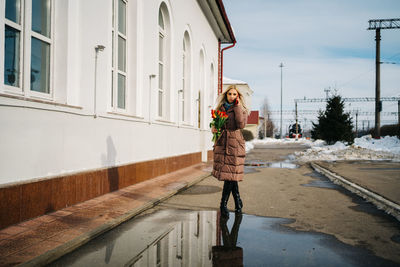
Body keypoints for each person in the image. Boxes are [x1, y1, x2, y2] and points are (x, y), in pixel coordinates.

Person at [211, 85, 249, 218]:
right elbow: (216, 124)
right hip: (222, 143)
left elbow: (240, 125)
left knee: (230, 176)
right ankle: (237, 202)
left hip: (235, 144)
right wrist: (214, 129)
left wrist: (237, 107)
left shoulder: (242, 109)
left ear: (238, 97)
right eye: (230, 94)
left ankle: (223, 204)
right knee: (230, 176)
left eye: (234, 95)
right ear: (226, 95)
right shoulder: (219, 109)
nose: (232, 96)